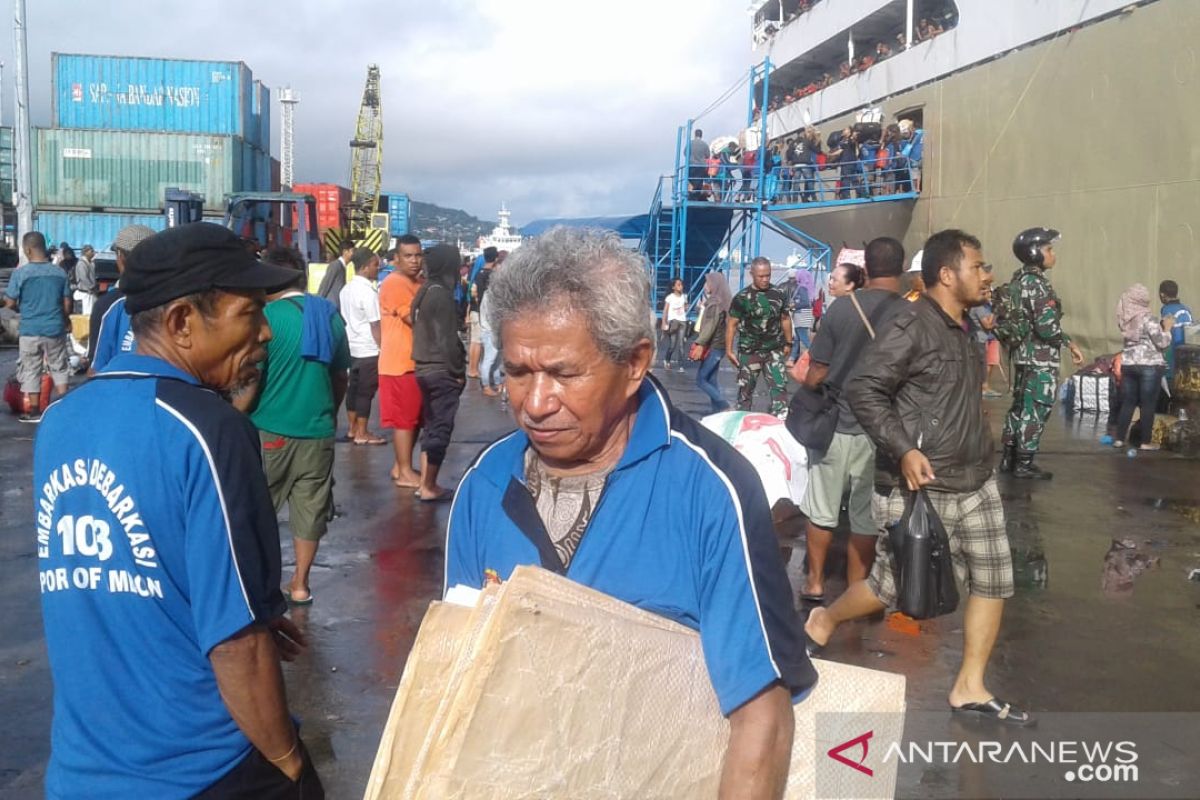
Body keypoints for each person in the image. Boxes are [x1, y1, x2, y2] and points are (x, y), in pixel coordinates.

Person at [446, 227, 816, 796]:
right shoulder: (483, 485)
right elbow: (457, 677)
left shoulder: (710, 488)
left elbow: (761, 713)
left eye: (564, 373)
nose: (536, 404)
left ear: (636, 363)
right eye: (518, 372)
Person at [33, 222, 323, 797]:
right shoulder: (210, 430)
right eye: (249, 313)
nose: (266, 333)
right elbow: (237, 645)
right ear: (183, 322)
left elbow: (124, 576)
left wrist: (251, 611)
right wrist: (291, 764)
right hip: (201, 769)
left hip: (81, 771)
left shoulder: (61, 421)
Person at [807, 229, 1034, 728]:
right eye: (978, 266)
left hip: (975, 477)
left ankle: (969, 686)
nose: (986, 274)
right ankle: (824, 617)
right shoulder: (910, 323)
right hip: (921, 485)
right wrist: (903, 449)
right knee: (890, 588)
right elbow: (865, 389)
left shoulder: (965, 324)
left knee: (994, 579)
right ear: (948, 274)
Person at [233, 246, 349, 608]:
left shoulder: (267, 318)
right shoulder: (329, 317)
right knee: (310, 510)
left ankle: (257, 584)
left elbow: (250, 378)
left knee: (257, 510)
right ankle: (300, 584)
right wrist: (328, 413)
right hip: (317, 431)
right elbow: (340, 376)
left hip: (269, 429)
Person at [798, 238, 906, 604]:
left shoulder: (842, 310)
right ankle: (856, 589)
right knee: (864, 515)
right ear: (902, 268)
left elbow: (818, 372)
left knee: (822, 509)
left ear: (866, 270)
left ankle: (814, 582)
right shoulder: (910, 314)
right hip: (881, 429)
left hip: (835, 422)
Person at [999, 227, 1084, 480]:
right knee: (1036, 408)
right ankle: (1024, 464)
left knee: (1018, 407)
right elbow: (1047, 328)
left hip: (1023, 357)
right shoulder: (1038, 285)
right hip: (1041, 359)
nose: (1052, 254)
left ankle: (1009, 457)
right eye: (1049, 249)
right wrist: (1069, 343)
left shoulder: (1018, 281)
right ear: (1035, 253)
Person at [411, 244, 466, 502]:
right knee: (441, 427)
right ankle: (429, 485)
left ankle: (425, 482)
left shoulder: (423, 291)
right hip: (439, 369)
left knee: (431, 425)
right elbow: (447, 340)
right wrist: (457, 371)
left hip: (422, 367)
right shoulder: (441, 295)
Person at [3, 232, 72, 422]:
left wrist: (18, 305)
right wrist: (65, 319)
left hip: (30, 329)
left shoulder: (21, 273)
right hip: (54, 328)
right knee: (59, 366)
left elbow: (9, 303)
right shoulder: (59, 272)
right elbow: (67, 304)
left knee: (31, 368)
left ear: (27, 249)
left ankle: (34, 411)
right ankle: (64, 406)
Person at [379, 235, 426, 487]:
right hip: (399, 364)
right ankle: (405, 471)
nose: (414, 261)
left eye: (418, 255)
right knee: (405, 421)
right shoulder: (395, 282)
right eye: (408, 255)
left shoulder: (417, 282)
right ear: (396, 258)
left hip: (413, 362)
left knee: (414, 419)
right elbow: (414, 317)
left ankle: (401, 466)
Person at [727, 257, 793, 416]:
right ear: (752, 274)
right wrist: (729, 350)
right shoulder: (742, 298)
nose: (765, 279)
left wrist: (789, 343)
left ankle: (780, 426)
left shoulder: (779, 294)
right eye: (761, 276)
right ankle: (741, 425)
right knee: (745, 393)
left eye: (768, 275)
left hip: (774, 350)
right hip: (750, 352)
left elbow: (785, 319)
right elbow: (732, 324)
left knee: (780, 391)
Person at [88, 225, 157, 374]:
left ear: (120, 256)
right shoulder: (176, 300)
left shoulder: (109, 305)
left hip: (117, 391)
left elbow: (96, 368)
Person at [1112, 284, 1173, 451]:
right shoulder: (1148, 318)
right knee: (1147, 404)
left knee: (1128, 402)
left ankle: (1119, 439)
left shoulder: (1125, 319)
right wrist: (1167, 329)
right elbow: (1162, 342)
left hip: (1129, 364)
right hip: (1149, 366)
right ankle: (1145, 442)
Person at [340, 248, 385, 445]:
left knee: (353, 389)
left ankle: (352, 428)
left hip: (351, 346)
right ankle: (363, 432)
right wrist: (382, 346)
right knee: (366, 392)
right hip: (368, 348)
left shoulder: (346, 289)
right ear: (366, 267)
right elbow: (375, 323)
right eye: (375, 265)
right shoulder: (368, 292)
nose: (378, 268)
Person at [693, 271, 733, 414]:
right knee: (711, 379)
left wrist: (699, 343)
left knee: (701, 380)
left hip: (714, 346)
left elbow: (710, 326)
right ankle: (717, 410)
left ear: (714, 284)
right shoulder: (723, 301)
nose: (705, 286)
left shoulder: (715, 303)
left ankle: (724, 405)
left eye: (707, 282)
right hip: (719, 345)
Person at [466, 246, 498, 380]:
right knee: (479, 342)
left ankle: (472, 369)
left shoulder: (478, 273)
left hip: (474, 309)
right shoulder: (491, 275)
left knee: (474, 341)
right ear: (496, 258)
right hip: (482, 312)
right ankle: (477, 371)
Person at [1159, 280, 1192, 382]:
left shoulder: (1166, 309)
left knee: (1172, 380)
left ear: (1162, 294)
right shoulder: (1187, 309)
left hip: (1173, 350)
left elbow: (1166, 331)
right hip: (1188, 351)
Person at [316, 239, 354, 311]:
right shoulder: (335, 265)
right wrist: (317, 304)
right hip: (331, 308)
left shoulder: (342, 266)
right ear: (345, 252)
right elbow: (325, 285)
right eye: (352, 251)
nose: (354, 254)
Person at [660, 278, 688, 370]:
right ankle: (667, 359)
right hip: (673, 322)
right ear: (673, 287)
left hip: (682, 321)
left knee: (681, 344)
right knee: (672, 344)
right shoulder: (670, 297)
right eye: (678, 285)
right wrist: (664, 322)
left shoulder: (684, 296)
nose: (681, 286)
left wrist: (685, 307)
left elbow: (685, 308)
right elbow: (665, 311)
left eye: (681, 285)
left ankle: (681, 365)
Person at [73, 244, 98, 315]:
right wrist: (91, 287)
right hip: (85, 294)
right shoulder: (81, 263)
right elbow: (83, 278)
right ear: (86, 252)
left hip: (91, 293)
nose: (93, 253)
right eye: (91, 251)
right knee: (85, 315)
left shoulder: (90, 263)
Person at [690, 128, 710, 200]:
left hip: (691, 165)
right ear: (701, 135)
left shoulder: (690, 143)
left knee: (690, 181)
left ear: (695, 135)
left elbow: (685, 152)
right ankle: (698, 196)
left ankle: (691, 195)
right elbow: (708, 155)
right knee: (699, 182)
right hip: (701, 166)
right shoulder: (704, 144)